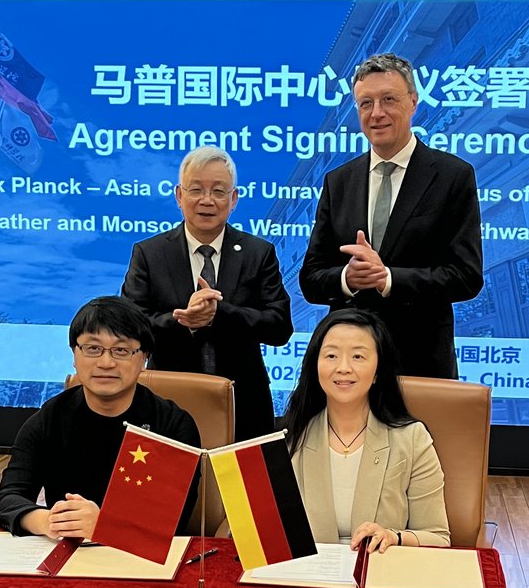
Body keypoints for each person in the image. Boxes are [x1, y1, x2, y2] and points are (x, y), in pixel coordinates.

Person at [299, 52, 483, 379]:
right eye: (365, 103)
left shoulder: (452, 176)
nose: (377, 113)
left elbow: (466, 276)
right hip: (347, 371)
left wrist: (388, 279)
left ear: (413, 101)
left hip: (419, 365)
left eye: (388, 99)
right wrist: (347, 279)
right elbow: (311, 278)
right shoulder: (338, 181)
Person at [0, 296, 199, 538]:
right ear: (74, 355)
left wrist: (104, 525)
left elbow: (175, 515)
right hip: (68, 551)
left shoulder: (173, 425)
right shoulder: (49, 418)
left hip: (142, 558)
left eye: (121, 350)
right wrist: (49, 521)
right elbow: (6, 500)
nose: (106, 362)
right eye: (93, 349)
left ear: (144, 358)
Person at [122, 147, 293, 440]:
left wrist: (220, 314)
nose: (207, 200)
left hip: (244, 406)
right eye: (196, 189)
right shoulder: (149, 253)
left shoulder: (258, 253)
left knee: (239, 487)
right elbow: (129, 327)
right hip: (168, 401)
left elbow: (279, 326)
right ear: (179, 195)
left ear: (233, 199)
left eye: (218, 191)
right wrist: (183, 322)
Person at [284, 308, 450, 553]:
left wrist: (394, 537)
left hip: (383, 573)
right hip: (308, 577)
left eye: (358, 357)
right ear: (315, 365)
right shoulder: (289, 438)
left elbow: (438, 537)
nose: (343, 368)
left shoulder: (412, 439)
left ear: (377, 372)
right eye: (331, 356)